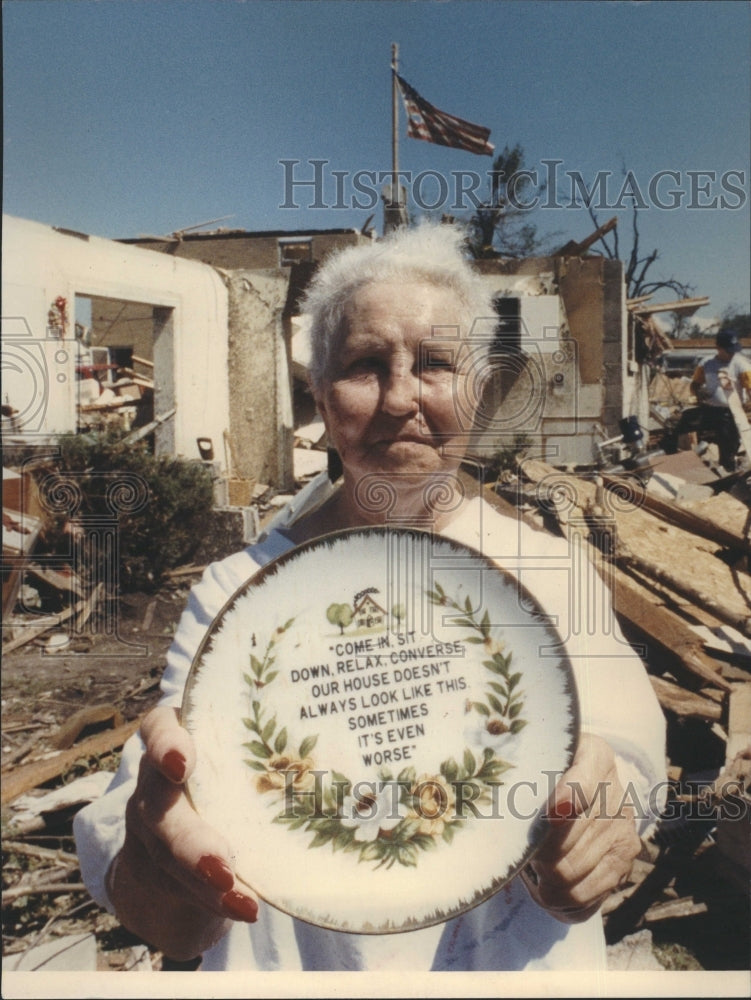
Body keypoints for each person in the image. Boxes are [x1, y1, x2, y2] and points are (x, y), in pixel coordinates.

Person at [74, 223, 666, 972]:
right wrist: (164, 875)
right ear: (319, 393)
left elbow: (625, 752)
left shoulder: (546, 573)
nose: (398, 398)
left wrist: (604, 809)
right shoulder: (239, 593)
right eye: (362, 365)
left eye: (435, 363)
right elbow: (162, 882)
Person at [676, 329, 751, 472]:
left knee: (728, 443)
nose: (731, 353)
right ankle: (682, 460)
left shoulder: (742, 365)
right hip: (709, 410)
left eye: (733, 350)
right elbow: (695, 385)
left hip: (731, 413)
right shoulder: (706, 363)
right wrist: (698, 393)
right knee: (685, 420)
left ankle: (727, 471)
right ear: (718, 348)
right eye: (728, 350)